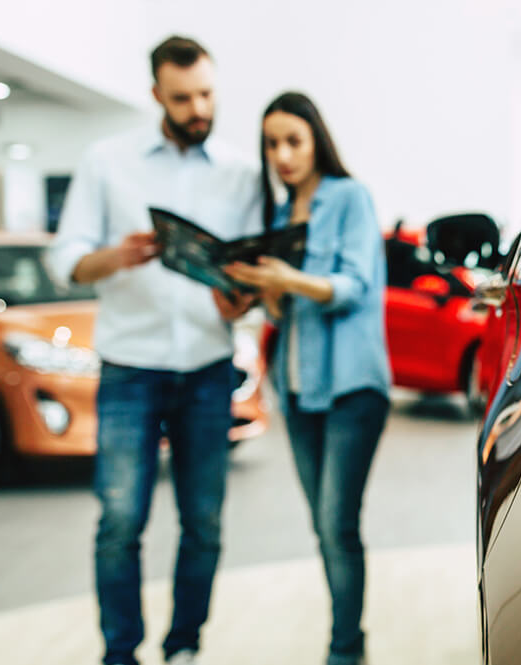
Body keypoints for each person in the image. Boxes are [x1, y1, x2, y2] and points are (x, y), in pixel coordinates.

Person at [46, 36, 261, 665]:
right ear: (155, 96)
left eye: (206, 95)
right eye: (182, 98)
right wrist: (114, 256)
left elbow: (249, 272)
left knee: (204, 523)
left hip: (207, 367)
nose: (198, 108)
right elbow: (64, 261)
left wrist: (239, 299)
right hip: (128, 368)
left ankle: (184, 645)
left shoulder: (240, 172)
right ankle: (120, 652)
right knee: (119, 522)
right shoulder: (106, 161)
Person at [223, 92, 390, 665]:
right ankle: (348, 641)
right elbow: (281, 311)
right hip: (296, 390)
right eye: (272, 144)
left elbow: (354, 287)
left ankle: (346, 649)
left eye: (293, 140)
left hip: (352, 389)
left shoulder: (350, 198)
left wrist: (288, 279)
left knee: (336, 523)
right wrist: (257, 291)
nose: (282, 154)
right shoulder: (276, 216)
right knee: (324, 529)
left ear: (316, 138)